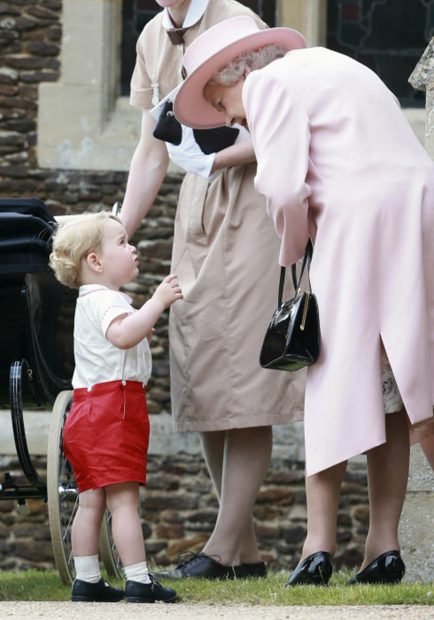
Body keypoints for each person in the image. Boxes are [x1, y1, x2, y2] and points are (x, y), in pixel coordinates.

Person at [173, 15, 434, 585]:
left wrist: (293, 251)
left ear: (231, 74)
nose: (226, 118)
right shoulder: (333, 65)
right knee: (396, 384)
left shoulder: (268, 85)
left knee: (333, 376)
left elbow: (286, 187)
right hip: (418, 211)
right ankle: (382, 548)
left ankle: (316, 548)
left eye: (218, 103)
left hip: (358, 224)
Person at [120, 0, 305, 579]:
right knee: (204, 379)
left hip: (251, 200)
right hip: (196, 213)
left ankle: (221, 550)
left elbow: (282, 124)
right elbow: (153, 148)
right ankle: (244, 553)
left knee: (244, 381)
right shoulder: (153, 36)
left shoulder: (240, 23)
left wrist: (216, 158)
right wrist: (113, 231)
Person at [49, 212, 182, 602]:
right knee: (124, 500)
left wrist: (141, 317)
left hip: (85, 409)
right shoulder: (106, 299)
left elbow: (121, 333)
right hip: (114, 409)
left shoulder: (91, 300)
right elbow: (123, 336)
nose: (133, 247)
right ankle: (139, 579)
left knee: (91, 500)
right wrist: (157, 303)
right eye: (122, 242)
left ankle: (87, 579)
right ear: (95, 261)